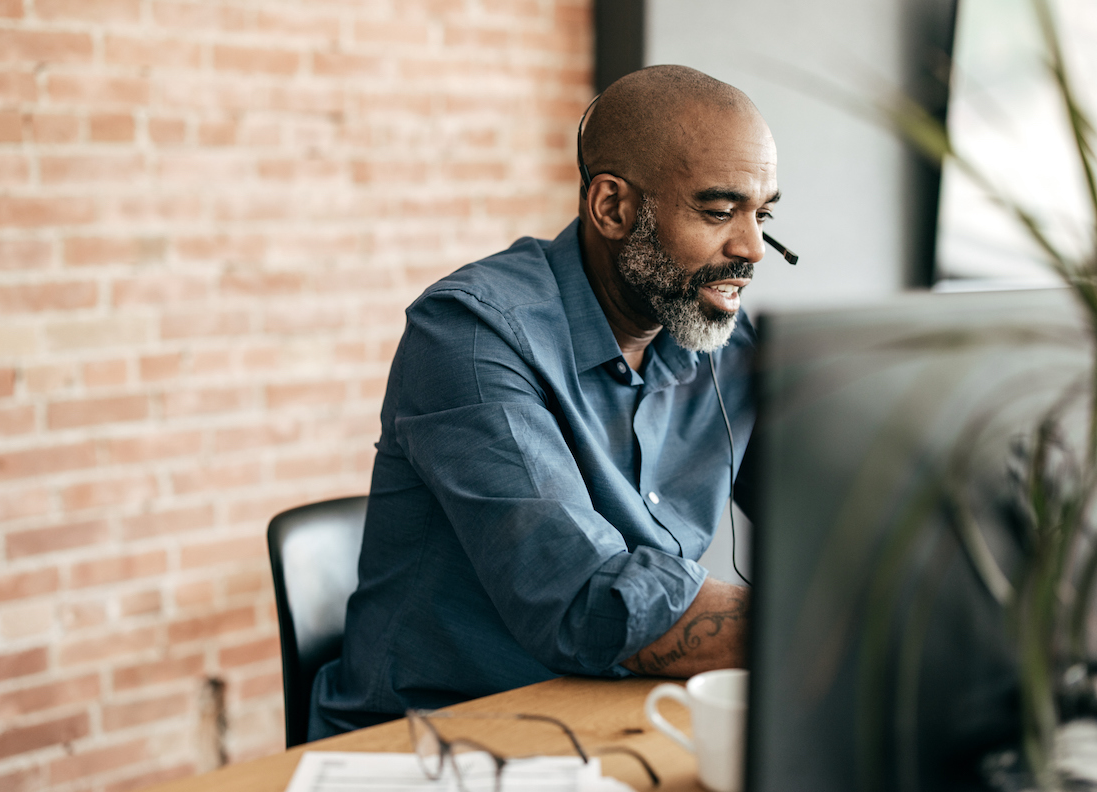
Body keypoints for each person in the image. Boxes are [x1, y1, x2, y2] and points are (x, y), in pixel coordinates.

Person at [309, 64, 785, 738]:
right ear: (613, 207)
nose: (752, 249)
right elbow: (589, 601)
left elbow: (834, 525)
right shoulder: (470, 334)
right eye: (718, 211)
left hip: (617, 723)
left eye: (762, 214)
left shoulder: (725, 346)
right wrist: (828, 627)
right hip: (435, 746)